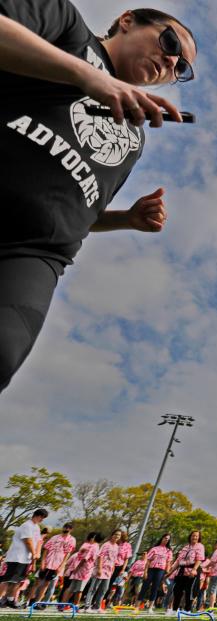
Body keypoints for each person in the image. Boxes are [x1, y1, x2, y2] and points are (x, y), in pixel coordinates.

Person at [0, 2, 197, 394]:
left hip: (35, 253)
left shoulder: (135, 136)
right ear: (127, 21)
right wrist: (88, 76)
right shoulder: (66, 29)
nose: (171, 62)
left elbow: (74, 209)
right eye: (171, 42)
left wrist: (125, 218)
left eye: (182, 69)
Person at [0, 508, 46, 608]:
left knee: (18, 580)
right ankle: (1, 599)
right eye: (41, 517)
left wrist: (37, 553)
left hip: (25, 558)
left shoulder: (36, 527)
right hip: (16, 557)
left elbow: (38, 541)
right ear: (36, 515)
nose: (42, 519)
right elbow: (28, 541)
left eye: (43, 518)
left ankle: (10, 600)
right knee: (8, 579)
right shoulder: (27, 525)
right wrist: (34, 554)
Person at [28, 521, 74, 608]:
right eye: (65, 527)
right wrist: (42, 562)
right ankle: (28, 601)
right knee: (37, 582)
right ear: (63, 527)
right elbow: (46, 549)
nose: (66, 529)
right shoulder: (55, 537)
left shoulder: (71, 540)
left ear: (71, 530)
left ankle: (37, 603)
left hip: (57, 565)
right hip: (47, 562)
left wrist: (61, 566)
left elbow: (68, 554)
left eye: (69, 528)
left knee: (46, 584)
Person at [84, 528, 121, 612]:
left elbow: (114, 559)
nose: (117, 536)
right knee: (94, 588)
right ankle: (87, 606)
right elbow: (100, 556)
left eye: (119, 535)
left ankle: (97, 606)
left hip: (109, 571)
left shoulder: (116, 547)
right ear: (112, 535)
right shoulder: (106, 545)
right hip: (101, 569)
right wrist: (99, 568)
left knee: (104, 589)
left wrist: (113, 568)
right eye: (115, 534)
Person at [60, 531, 100, 608]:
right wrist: (77, 568)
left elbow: (84, 558)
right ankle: (70, 605)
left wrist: (77, 567)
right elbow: (84, 558)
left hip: (83, 570)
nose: (92, 539)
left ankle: (66, 605)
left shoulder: (91, 546)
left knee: (74, 589)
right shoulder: (92, 546)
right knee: (76, 589)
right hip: (82, 570)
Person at [168, 530, 204, 614]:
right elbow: (178, 560)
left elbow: (199, 559)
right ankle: (174, 609)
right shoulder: (185, 547)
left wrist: (194, 569)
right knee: (177, 590)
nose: (194, 537)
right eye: (193, 535)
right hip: (182, 571)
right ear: (190, 537)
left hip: (192, 571)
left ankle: (187, 610)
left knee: (189, 591)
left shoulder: (200, 546)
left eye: (196, 536)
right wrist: (170, 572)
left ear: (199, 537)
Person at [136, 532, 173, 612]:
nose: (166, 540)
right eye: (165, 538)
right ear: (162, 538)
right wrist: (145, 572)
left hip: (161, 571)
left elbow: (168, 562)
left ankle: (150, 607)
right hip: (151, 569)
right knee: (144, 587)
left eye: (168, 539)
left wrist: (167, 572)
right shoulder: (154, 548)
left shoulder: (169, 551)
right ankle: (137, 606)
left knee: (155, 588)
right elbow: (148, 561)